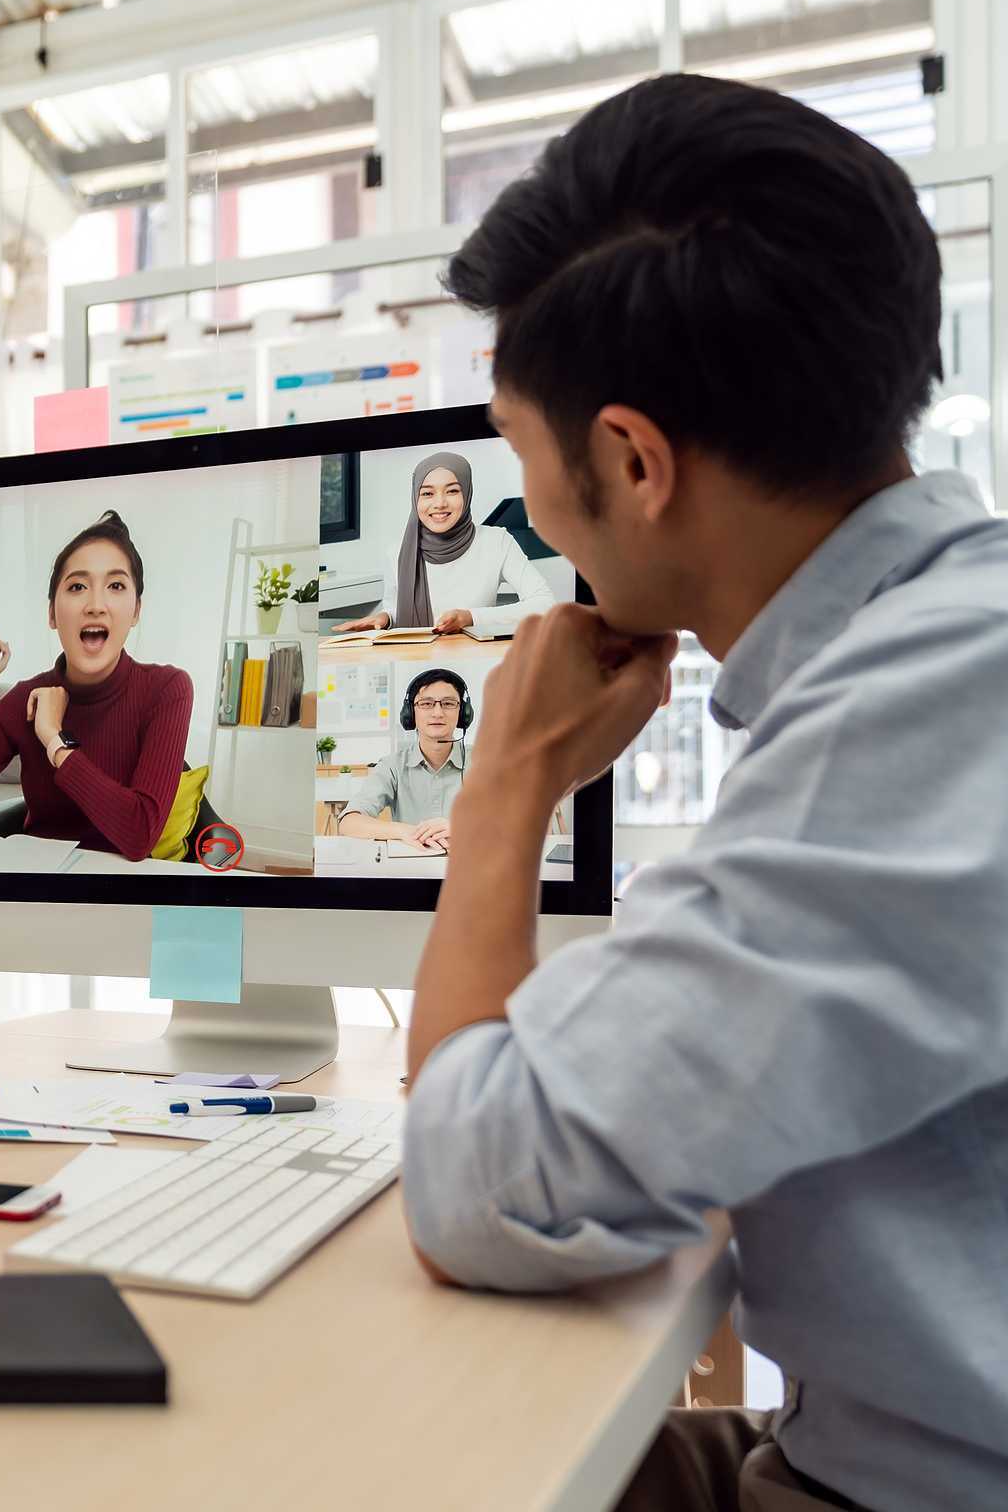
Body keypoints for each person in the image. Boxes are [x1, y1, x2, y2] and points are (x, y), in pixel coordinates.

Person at [401, 74, 1008, 1511]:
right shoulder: (933, 651)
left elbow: (485, 1181)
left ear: (632, 461)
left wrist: (508, 779)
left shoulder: (917, 715)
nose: (528, 515)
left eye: (521, 464)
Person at [0, 510, 193, 863]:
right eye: (77, 587)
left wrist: (55, 740)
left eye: (115, 585)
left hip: (121, 897)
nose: (95, 605)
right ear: (53, 615)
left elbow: (139, 835)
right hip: (38, 890)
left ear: (135, 611)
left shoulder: (167, 689)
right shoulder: (22, 701)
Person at [334, 450, 553, 635]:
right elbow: (395, 609)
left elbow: (545, 604)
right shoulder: (398, 552)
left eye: (452, 491)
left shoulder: (497, 541)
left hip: (475, 657)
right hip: (414, 661)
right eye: (427, 493)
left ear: (466, 494)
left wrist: (471, 617)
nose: (439, 503)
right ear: (415, 499)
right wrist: (385, 618)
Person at [338, 669, 469, 852]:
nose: (438, 712)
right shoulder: (392, 766)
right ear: (410, 713)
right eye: (426, 704)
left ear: (463, 712)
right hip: (413, 872)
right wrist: (404, 831)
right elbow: (348, 822)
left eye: (448, 703)